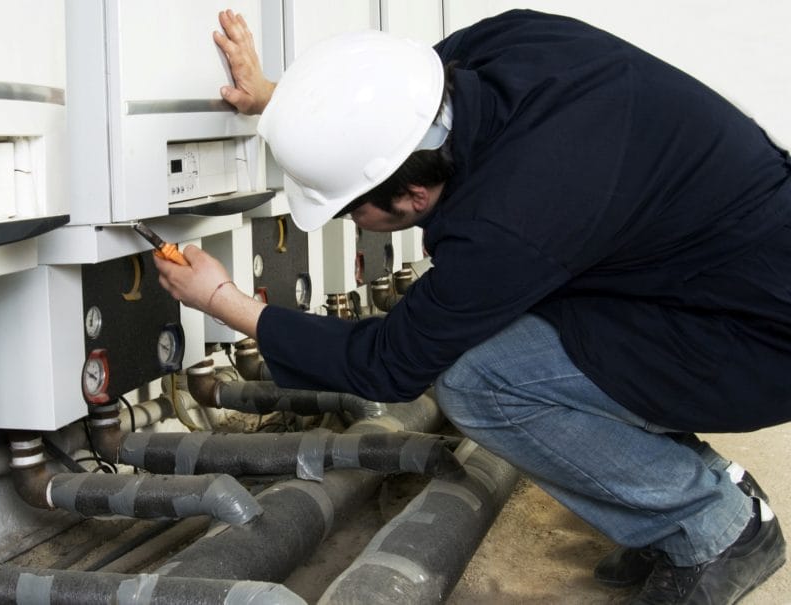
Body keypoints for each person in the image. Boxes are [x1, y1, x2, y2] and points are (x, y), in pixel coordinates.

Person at [154, 8, 790, 604]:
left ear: (415, 194)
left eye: (352, 208)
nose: (352, 219)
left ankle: (713, 527)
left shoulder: (511, 222)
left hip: (757, 340)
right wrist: (282, 104)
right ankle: (708, 494)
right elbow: (384, 103)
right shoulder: (503, 44)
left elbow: (388, 364)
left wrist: (223, 301)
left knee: (482, 380)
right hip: (727, 273)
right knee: (540, 329)